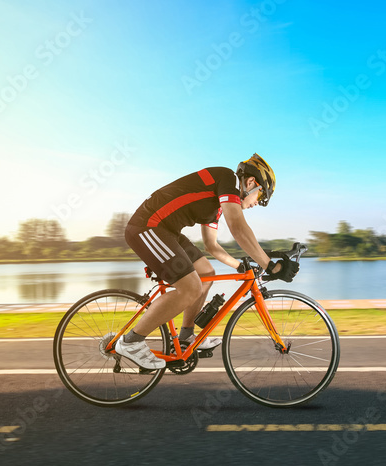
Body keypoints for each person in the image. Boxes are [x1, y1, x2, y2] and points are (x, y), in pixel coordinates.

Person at [114, 154, 299, 369]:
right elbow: (238, 227)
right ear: (250, 183)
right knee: (190, 287)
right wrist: (271, 265)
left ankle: (185, 338)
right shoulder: (226, 179)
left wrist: (240, 266)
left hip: (167, 231)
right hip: (147, 227)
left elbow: (212, 245)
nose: (257, 203)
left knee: (207, 273)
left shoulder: (220, 203)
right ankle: (132, 342)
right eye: (260, 196)